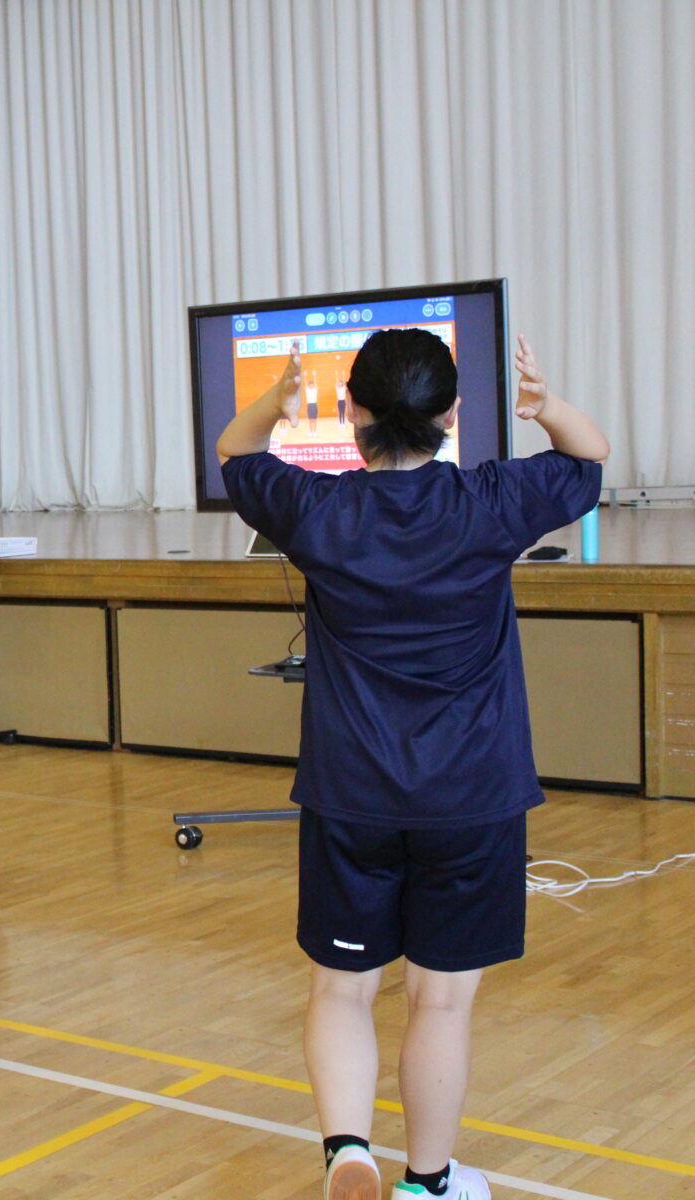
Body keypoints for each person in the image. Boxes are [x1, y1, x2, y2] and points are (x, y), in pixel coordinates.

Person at [216, 330, 609, 1200]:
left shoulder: (316, 511)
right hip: (472, 795)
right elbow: (590, 457)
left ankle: (345, 1152)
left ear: (354, 413)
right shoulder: (493, 501)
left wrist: (276, 405)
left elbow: (233, 450)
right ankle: (428, 1185)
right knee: (439, 1001)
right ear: (452, 417)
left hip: (351, 794)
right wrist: (546, 409)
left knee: (343, 989)